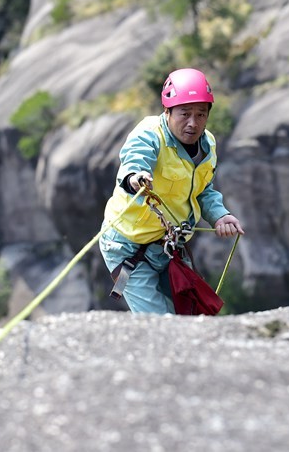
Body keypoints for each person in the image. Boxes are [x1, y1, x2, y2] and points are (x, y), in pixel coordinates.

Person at [99, 67, 244, 314]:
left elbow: (203, 189)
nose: (193, 123)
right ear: (167, 111)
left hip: (168, 249)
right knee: (159, 321)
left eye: (201, 114)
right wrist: (136, 178)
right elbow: (133, 163)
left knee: (188, 315)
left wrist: (220, 215)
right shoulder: (149, 135)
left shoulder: (207, 145)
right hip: (126, 248)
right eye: (184, 113)